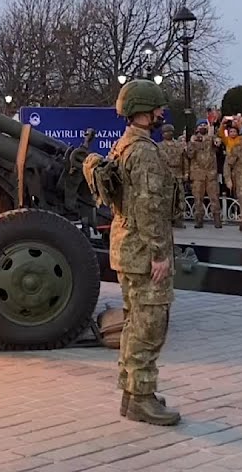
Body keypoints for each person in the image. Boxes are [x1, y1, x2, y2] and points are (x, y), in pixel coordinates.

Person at [86, 79, 179, 426]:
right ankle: (141, 399)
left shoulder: (123, 146)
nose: (161, 113)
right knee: (149, 326)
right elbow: (149, 206)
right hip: (143, 251)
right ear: (143, 111)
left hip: (126, 246)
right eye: (157, 108)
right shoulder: (143, 152)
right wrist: (159, 254)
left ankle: (133, 393)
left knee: (134, 323)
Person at [187, 120, 222, 228]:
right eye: (200, 125)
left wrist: (214, 139)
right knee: (198, 197)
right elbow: (189, 155)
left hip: (211, 173)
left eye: (204, 125)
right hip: (198, 174)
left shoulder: (211, 138)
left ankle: (217, 218)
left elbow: (218, 144)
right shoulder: (193, 140)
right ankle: (199, 219)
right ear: (197, 128)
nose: (203, 127)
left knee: (214, 196)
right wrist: (192, 143)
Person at [158, 123, 187, 228]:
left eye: (170, 131)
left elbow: (184, 160)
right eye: (166, 132)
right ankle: (166, 219)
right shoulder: (159, 147)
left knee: (180, 198)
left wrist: (186, 173)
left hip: (178, 174)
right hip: (165, 175)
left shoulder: (179, 145)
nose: (168, 134)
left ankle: (178, 219)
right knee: (166, 198)